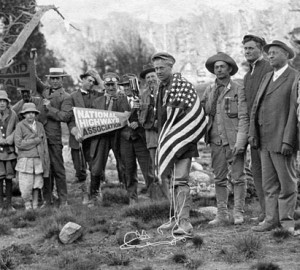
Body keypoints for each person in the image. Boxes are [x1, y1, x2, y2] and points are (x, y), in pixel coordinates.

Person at [152, 52, 206, 235]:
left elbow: (187, 116)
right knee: (171, 180)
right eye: (156, 68)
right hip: (168, 142)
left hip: (183, 142)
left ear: (171, 67)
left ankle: (185, 222)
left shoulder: (181, 86)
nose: (158, 71)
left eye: (162, 68)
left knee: (181, 180)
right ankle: (175, 218)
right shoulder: (162, 88)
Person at [249, 40, 299, 234]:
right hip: (264, 140)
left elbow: (294, 112)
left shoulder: (294, 77)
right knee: (269, 184)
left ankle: (287, 223)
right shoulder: (267, 77)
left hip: (282, 140)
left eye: (275, 53)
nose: (270, 56)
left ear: (286, 55)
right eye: (269, 53)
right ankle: (271, 220)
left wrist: (289, 140)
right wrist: (254, 134)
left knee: (287, 184)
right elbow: (256, 107)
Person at [201, 52, 249, 225]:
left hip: (234, 140)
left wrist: (241, 141)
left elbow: (244, 117)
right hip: (215, 140)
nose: (219, 70)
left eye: (222, 66)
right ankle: (221, 214)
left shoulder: (238, 89)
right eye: (216, 67)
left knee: (238, 177)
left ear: (230, 69)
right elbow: (202, 111)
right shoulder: (209, 90)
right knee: (219, 178)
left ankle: (238, 212)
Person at [242, 34, 273, 222]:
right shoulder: (248, 74)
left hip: (268, 129)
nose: (247, 52)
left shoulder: (269, 69)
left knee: (270, 174)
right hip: (253, 131)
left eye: (251, 48)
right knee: (258, 171)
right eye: (245, 48)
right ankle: (265, 212)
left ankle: (275, 214)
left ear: (261, 49)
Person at [36, 67, 72, 207]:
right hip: (40, 137)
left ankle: (63, 200)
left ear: (62, 80)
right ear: (49, 79)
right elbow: (34, 77)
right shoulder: (45, 90)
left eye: (57, 78)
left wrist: (49, 108)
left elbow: (65, 116)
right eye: (52, 78)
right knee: (45, 168)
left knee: (58, 168)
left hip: (54, 137)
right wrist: (33, 61)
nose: (55, 81)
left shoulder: (66, 97)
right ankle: (48, 199)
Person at [89, 72, 125, 206]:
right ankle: (94, 195)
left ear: (117, 85)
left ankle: (126, 192)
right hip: (102, 137)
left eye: (113, 85)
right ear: (104, 85)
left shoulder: (123, 98)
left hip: (118, 135)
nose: (111, 88)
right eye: (108, 85)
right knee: (97, 166)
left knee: (123, 164)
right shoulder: (97, 101)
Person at [118, 73, 154, 205]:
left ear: (136, 85)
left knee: (148, 170)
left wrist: (138, 123)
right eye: (124, 86)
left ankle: (154, 197)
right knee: (129, 170)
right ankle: (132, 198)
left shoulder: (144, 98)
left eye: (129, 85)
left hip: (141, 139)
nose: (127, 88)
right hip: (125, 139)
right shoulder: (118, 101)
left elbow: (150, 116)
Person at [68, 69, 103, 205]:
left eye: (93, 82)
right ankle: (85, 194)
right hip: (78, 137)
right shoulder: (72, 97)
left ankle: (95, 192)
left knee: (95, 166)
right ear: (82, 80)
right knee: (79, 168)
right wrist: (74, 131)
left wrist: (98, 78)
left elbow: (109, 91)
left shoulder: (98, 95)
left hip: (94, 138)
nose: (91, 83)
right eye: (89, 80)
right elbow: (69, 118)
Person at [14, 103, 49, 210]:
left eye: (32, 113)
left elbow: (44, 144)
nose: (30, 115)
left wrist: (46, 160)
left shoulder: (39, 126)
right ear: (24, 115)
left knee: (37, 183)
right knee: (25, 184)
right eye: (27, 113)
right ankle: (27, 205)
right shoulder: (20, 126)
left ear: (35, 114)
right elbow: (19, 143)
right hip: (25, 160)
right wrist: (36, 140)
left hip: (38, 159)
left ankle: (35, 204)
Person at [139, 63, 159, 195]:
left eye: (152, 76)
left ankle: (171, 190)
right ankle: (157, 192)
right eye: (148, 77)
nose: (151, 79)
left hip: (165, 131)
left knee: (167, 159)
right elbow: (140, 117)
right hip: (150, 132)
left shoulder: (166, 90)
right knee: (153, 162)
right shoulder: (143, 95)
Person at [0, 89, 18, 213]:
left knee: (9, 176)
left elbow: (17, 129)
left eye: (4, 101)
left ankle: (9, 203)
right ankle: (1, 204)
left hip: (10, 151)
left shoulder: (13, 114)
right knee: (0, 177)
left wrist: (10, 138)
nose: (1, 103)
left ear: (7, 102)